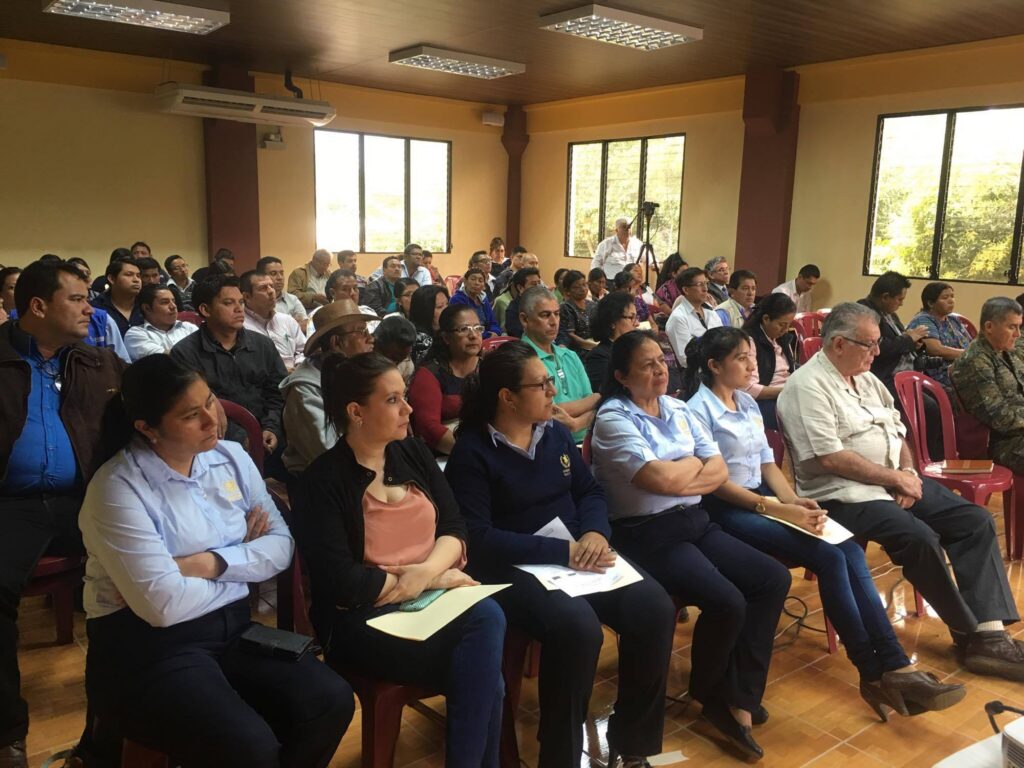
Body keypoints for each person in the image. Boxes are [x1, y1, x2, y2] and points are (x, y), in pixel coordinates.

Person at [79, 354, 353, 767]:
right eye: (192, 415)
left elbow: (281, 547)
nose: (212, 420)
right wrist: (245, 563)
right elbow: (163, 607)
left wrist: (205, 563)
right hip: (145, 651)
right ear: (147, 428)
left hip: (232, 629)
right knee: (249, 746)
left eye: (210, 402)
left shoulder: (230, 457)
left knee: (330, 700)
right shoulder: (117, 489)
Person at [685, 328, 966, 721]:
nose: (753, 365)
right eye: (742, 359)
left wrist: (793, 500)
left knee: (847, 549)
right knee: (832, 558)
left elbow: (768, 465)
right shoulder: (696, 411)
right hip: (727, 510)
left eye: (752, 356)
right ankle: (876, 672)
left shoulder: (746, 404)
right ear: (714, 366)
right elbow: (717, 483)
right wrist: (780, 510)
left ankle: (894, 667)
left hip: (765, 500)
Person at [446, 342, 675, 768]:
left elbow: (588, 490)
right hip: (515, 566)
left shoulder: (552, 432)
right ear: (507, 397)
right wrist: (562, 551)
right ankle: (560, 755)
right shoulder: (473, 452)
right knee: (578, 629)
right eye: (542, 385)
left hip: (576, 554)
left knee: (654, 607)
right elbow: (478, 537)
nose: (554, 393)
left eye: (551, 383)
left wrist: (593, 532)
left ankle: (634, 743)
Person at [777, 302, 1024, 680]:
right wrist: (894, 479)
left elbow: (898, 432)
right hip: (845, 494)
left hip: (894, 480)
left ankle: (989, 632)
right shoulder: (805, 387)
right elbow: (829, 458)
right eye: (870, 345)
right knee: (919, 538)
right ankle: (970, 632)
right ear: (839, 344)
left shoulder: (867, 378)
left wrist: (907, 471)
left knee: (974, 520)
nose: (878, 353)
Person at [293, 353, 506, 767]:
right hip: (363, 622)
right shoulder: (322, 481)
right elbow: (341, 581)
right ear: (356, 411)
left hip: (430, 600)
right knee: (487, 655)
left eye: (405, 397)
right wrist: (434, 580)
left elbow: (455, 528)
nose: (408, 409)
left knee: (485, 634)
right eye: (393, 400)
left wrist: (425, 575)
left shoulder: (411, 452)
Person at [590, 331, 789, 761]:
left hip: (695, 521)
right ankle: (709, 691)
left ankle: (736, 693)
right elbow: (656, 481)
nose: (660, 369)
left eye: (661, 360)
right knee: (728, 601)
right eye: (646, 365)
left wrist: (684, 472)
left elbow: (717, 469)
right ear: (622, 376)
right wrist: (693, 468)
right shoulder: (613, 417)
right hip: (647, 533)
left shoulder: (679, 408)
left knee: (771, 578)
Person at [0, 260, 128, 768]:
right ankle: (8, 733)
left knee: (139, 576)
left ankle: (109, 733)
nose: (88, 307)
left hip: (89, 498)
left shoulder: (99, 364)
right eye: (76, 299)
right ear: (38, 306)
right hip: (14, 504)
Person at [171, 275, 287, 459]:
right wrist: (244, 437)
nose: (238, 309)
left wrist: (270, 428)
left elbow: (277, 392)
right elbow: (196, 409)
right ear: (205, 309)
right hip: (217, 446)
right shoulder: (185, 353)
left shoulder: (262, 345)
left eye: (240, 302)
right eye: (228, 303)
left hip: (270, 438)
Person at [280, 300, 377, 477]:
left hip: (362, 469)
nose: (370, 338)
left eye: (368, 330)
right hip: (320, 480)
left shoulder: (359, 373)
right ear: (336, 342)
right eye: (361, 331)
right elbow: (327, 452)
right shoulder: (305, 389)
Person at [950, 297, 1024, 474]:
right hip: (1000, 443)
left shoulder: (1006, 351)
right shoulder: (975, 361)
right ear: (989, 327)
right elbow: (997, 416)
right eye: (1012, 327)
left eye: (1019, 327)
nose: (1018, 334)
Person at [518, 286, 599, 441]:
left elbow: (595, 406)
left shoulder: (570, 355)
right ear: (524, 319)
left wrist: (576, 423)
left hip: (588, 441)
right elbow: (548, 412)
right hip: (547, 445)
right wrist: (595, 398)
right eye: (545, 315)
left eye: (557, 314)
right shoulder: (521, 360)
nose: (554, 322)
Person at [408, 305, 481, 454]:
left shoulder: (489, 367)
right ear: (446, 338)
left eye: (477, 328)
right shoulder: (429, 374)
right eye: (463, 329)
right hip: (447, 454)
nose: (473, 335)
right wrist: (475, 454)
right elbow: (429, 428)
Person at [857, 271, 930, 399]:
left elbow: (901, 338)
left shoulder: (889, 313)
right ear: (885, 297)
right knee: (932, 408)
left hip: (905, 370)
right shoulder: (864, 312)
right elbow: (878, 348)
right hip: (885, 375)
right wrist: (908, 339)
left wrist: (914, 343)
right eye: (899, 299)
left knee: (942, 394)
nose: (901, 304)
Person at [742, 293, 798, 429]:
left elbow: (791, 369)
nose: (785, 330)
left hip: (787, 391)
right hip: (765, 400)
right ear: (766, 319)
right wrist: (787, 390)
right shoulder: (749, 341)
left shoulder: (781, 338)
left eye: (788, 325)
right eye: (781, 325)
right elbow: (748, 389)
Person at [908, 281, 973, 390]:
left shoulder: (953, 319)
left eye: (952, 296)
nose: (951, 300)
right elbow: (936, 350)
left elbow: (971, 344)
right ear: (930, 303)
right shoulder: (923, 319)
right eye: (945, 297)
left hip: (962, 368)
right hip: (941, 375)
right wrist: (968, 354)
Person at [241, 270, 306, 371]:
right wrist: (279, 371)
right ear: (247, 297)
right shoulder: (241, 326)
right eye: (263, 288)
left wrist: (299, 366)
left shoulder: (286, 320)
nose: (271, 291)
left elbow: (304, 350)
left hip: (296, 377)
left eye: (271, 286)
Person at [123, 283, 198, 361]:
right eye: (165, 302)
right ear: (147, 308)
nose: (173, 306)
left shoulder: (188, 327)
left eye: (173, 301)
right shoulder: (135, 334)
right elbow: (165, 359)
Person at [665, 267, 723, 364]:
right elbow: (685, 358)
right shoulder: (678, 318)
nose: (705, 289)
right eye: (700, 285)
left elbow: (723, 341)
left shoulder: (711, 313)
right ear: (686, 290)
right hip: (696, 373)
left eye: (706, 283)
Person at [584, 291, 639, 393]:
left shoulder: (637, 349)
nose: (637, 323)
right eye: (631, 318)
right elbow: (605, 392)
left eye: (636, 317)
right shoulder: (598, 356)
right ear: (613, 321)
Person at [91, 259, 143, 338]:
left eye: (138, 276)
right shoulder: (95, 307)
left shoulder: (147, 305)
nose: (136, 280)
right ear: (111, 279)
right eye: (129, 274)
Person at [256, 256, 309, 333]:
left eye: (281, 273)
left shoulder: (292, 299)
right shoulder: (255, 301)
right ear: (260, 276)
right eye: (273, 273)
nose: (280, 277)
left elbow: (305, 325)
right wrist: (293, 324)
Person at [449, 268, 500, 338]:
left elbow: (493, 322)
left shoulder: (483, 298)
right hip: (468, 338)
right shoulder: (457, 299)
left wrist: (494, 332)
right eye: (473, 279)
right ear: (465, 281)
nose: (477, 283)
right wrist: (488, 335)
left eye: (480, 280)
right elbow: (463, 328)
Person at [558, 270, 598, 355]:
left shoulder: (593, 304)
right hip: (577, 350)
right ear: (567, 290)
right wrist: (593, 346)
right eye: (577, 287)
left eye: (584, 285)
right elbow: (570, 335)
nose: (583, 289)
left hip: (595, 344)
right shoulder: (566, 307)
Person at [409, 284, 449, 365]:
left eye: (447, 304)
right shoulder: (421, 339)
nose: (447, 310)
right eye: (440, 307)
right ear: (425, 311)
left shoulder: (444, 331)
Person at [373, 315, 416, 383]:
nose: (395, 366)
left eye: (400, 361)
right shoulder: (359, 365)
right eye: (393, 359)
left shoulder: (407, 367)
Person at [502, 267, 542, 338]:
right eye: (533, 284)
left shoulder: (544, 304)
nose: (538, 287)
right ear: (520, 288)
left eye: (539, 283)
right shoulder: (513, 310)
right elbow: (519, 337)